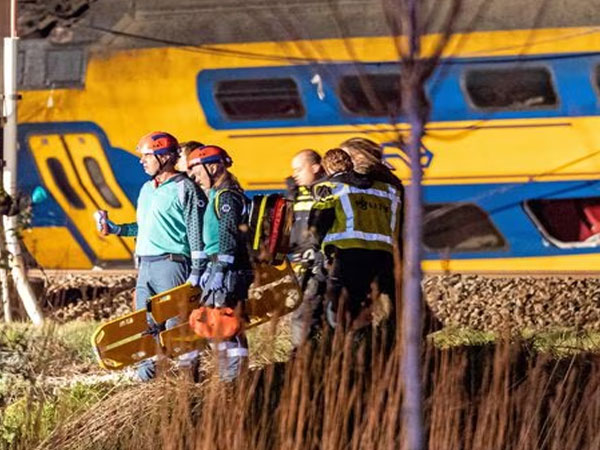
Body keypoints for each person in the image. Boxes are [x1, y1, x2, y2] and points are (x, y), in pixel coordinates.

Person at [94, 131, 207, 381]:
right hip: (145, 267)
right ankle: (148, 388)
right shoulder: (146, 189)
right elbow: (145, 226)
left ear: (165, 157)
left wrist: (198, 270)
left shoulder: (184, 188)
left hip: (173, 265)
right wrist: (117, 229)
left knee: (177, 329)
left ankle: (191, 385)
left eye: (147, 156)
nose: (141, 161)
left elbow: (196, 230)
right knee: (145, 328)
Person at [310, 148, 401, 330]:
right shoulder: (387, 190)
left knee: (339, 307)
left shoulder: (330, 188)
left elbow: (318, 223)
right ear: (350, 164)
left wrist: (319, 249)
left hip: (347, 255)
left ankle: (347, 345)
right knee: (373, 305)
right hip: (383, 257)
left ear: (327, 169)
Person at [186, 144, 253, 381]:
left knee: (227, 325)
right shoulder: (217, 194)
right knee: (216, 326)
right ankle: (229, 375)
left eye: (196, 170)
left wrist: (220, 269)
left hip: (229, 269)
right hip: (220, 268)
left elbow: (227, 234)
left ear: (213, 166)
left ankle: (234, 379)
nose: (193, 176)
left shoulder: (226, 196)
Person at [286, 149, 327, 348]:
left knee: (304, 313)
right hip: (300, 263)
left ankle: (300, 356)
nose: (294, 174)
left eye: (299, 169)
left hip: (317, 263)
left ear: (316, 167)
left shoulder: (325, 192)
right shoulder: (297, 194)